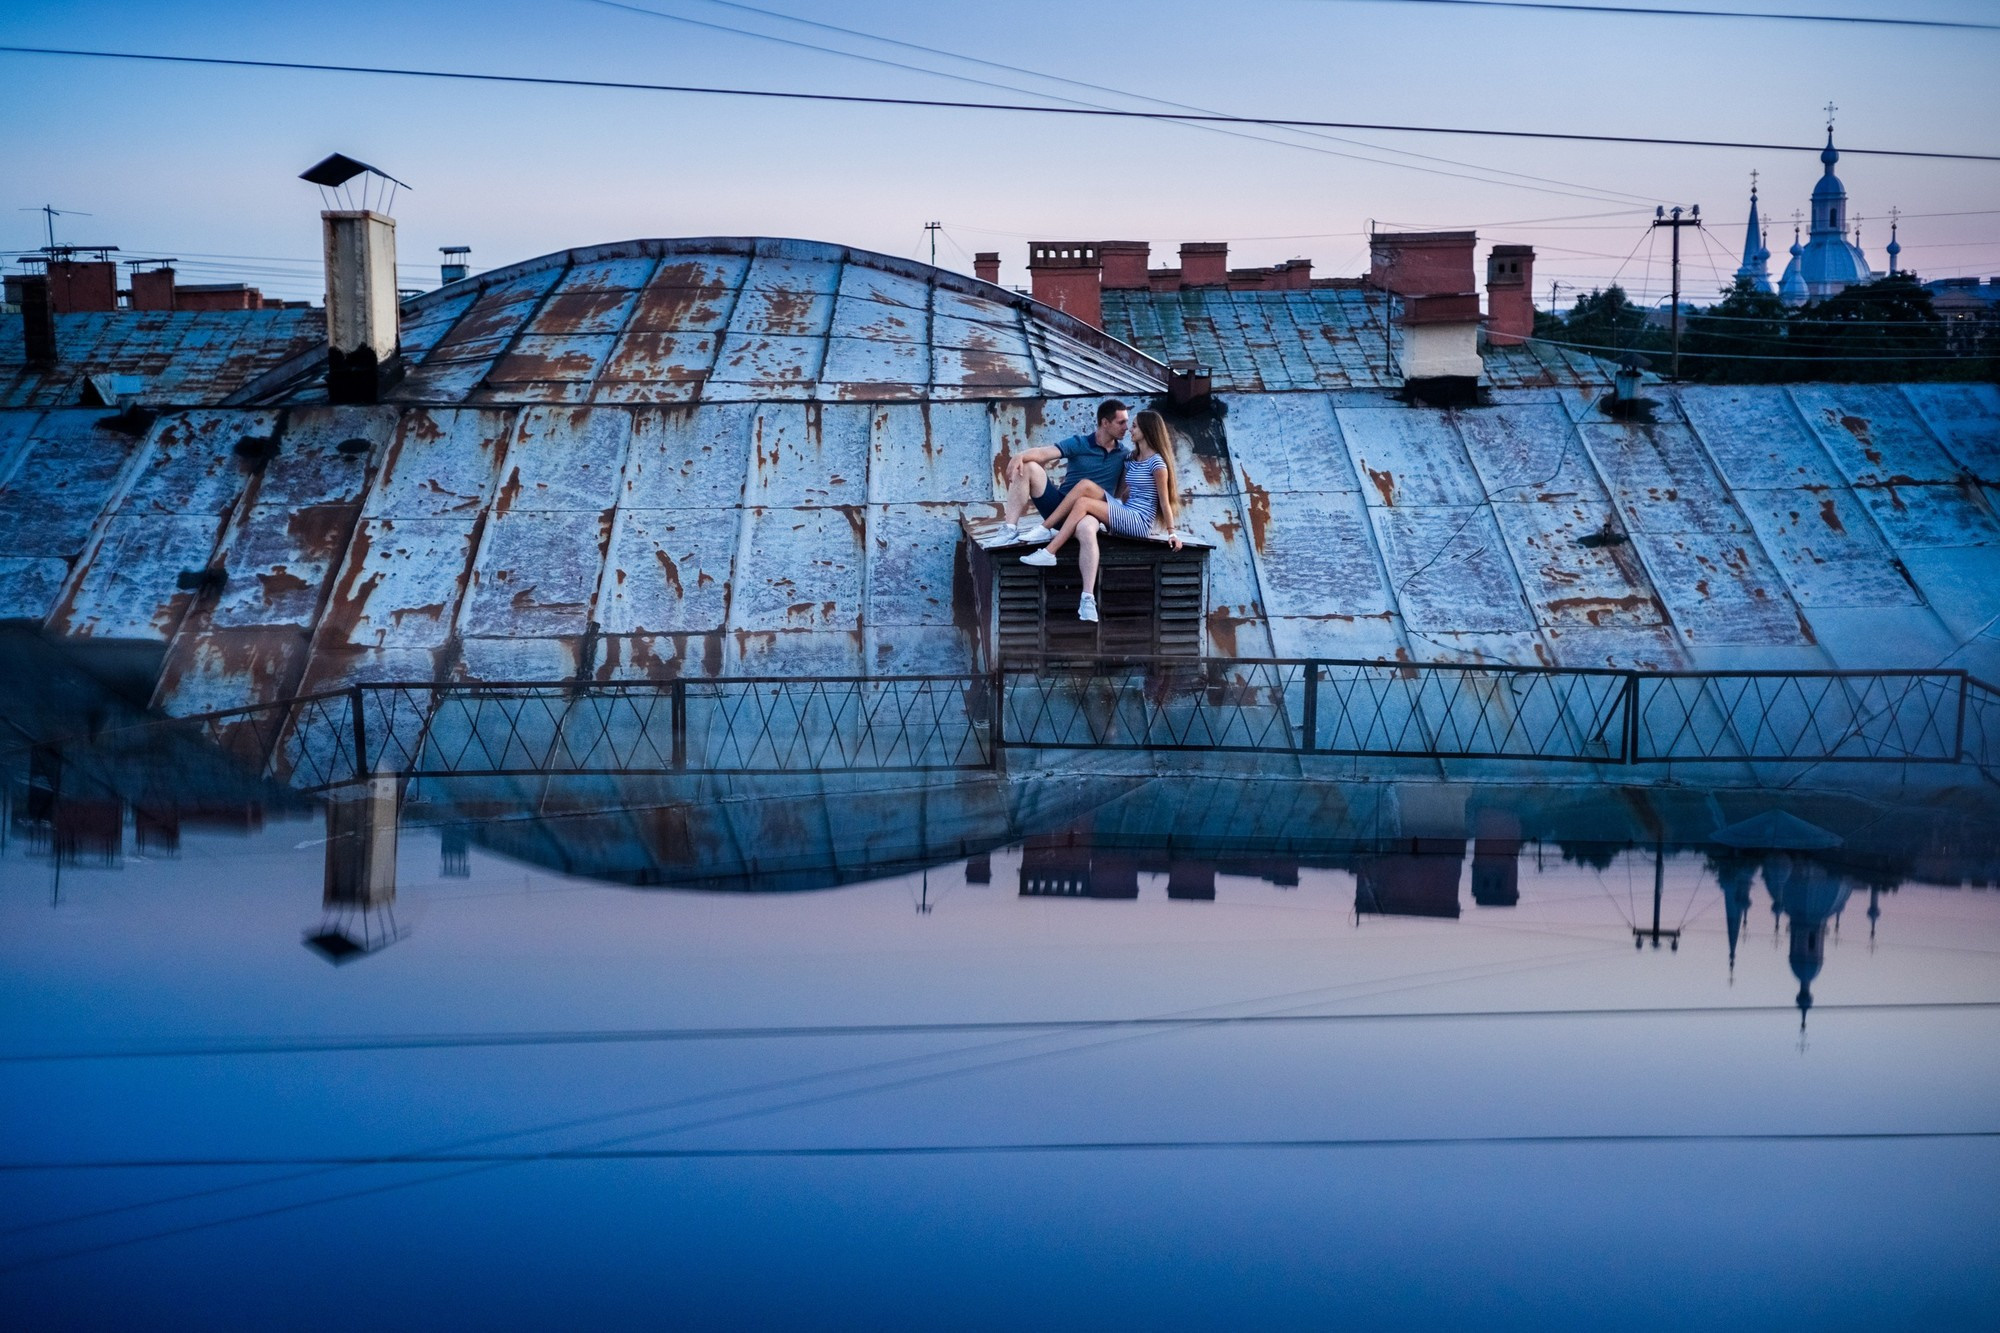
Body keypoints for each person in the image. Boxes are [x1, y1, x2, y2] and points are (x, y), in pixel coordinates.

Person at [1020, 409, 1184, 622]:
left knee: (1084, 503)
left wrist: (1172, 532)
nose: (1129, 429)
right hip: (1126, 510)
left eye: (1134, 426)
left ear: (1147, 430)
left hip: (1139, 521)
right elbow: (1122, 493)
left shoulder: (1158, 464)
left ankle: (1050, 549)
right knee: (1085, 486)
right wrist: (1114, 503)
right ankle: (1046, 532)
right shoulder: (1131, 458)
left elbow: (1164, 500)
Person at [997, 399, 1131, 620]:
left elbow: (1119, 494)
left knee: (1089, 529)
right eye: (1121, 422)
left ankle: (1087, 599)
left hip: (1088, 515)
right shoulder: (1080, 443)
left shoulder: (1124, 455)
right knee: (1029, 466)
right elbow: (1042, 454)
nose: (1126, 427)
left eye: (1127, 422)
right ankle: (1009, 529)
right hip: (1060, 506)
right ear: (1105, 423)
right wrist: (1018, 456)